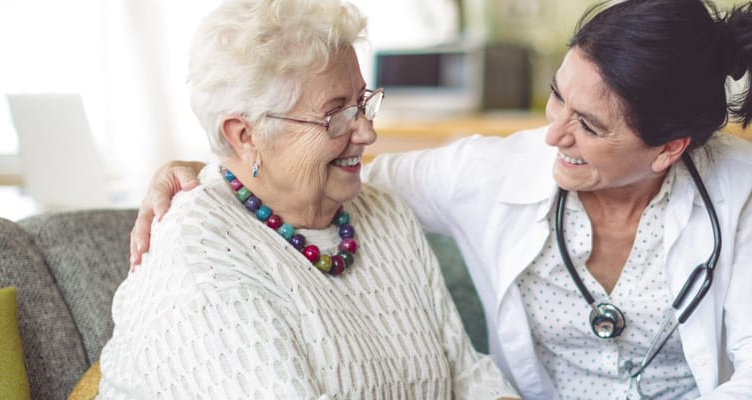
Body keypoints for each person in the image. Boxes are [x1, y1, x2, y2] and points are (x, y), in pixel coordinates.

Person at [131, 0, 752, 398]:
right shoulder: (490, 172)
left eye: (590, 128)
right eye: (556, 95)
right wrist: (221, 168)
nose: (551, 133)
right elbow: (324, 184)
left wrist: (270, 153)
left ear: (666, 150)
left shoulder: (735, 182)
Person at [95, 0, 519, 398]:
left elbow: (465, 375)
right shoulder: (201, 256)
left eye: (362, 103)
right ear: (245, 136)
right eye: (337, 116)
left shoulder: (382, 211)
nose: (368, 134)